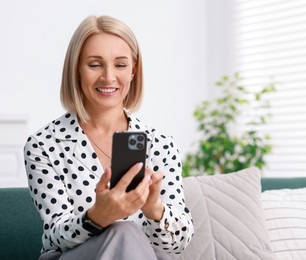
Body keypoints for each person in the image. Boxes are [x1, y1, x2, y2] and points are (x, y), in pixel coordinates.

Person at [24, 15, 194, 260]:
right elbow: (55, 237)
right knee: (123, 231)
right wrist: (98, 216)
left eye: (121, 65)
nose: (109, 77)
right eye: (95, 65)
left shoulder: (160, 145)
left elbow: (178, 245)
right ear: (76, 70)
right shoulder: (44, 145)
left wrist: (154, 209)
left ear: (133, 71)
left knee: (132, 237)